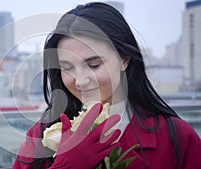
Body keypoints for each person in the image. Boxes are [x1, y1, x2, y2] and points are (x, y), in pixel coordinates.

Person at [13, 2, 201, 169]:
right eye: (67, 68)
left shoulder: (176, 137)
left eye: (94, 65)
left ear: (124, 59)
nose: (80, 81)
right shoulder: (41, 136)